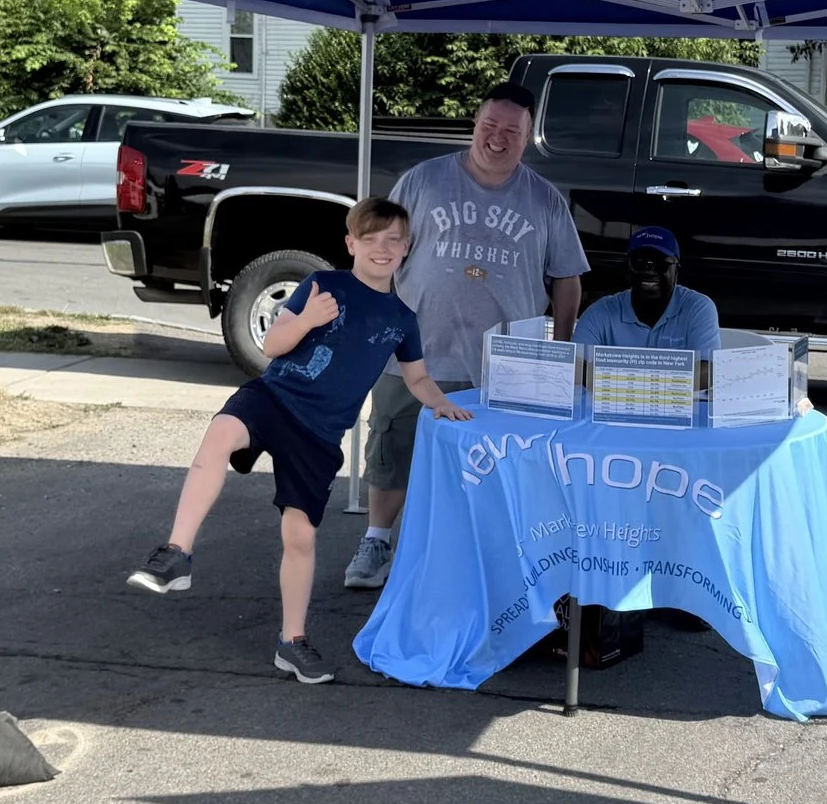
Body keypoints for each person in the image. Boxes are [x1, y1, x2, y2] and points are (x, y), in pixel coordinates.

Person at [126, 198, 470, 684]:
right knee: (221, 432)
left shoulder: (401, 318)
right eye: (370, 239)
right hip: (275, 398)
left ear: (407, 247)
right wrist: (307, 319)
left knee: (300, 536)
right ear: (351, 244)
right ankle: (176, 553)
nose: (382, 248)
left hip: (319, 435)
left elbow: (416, 378)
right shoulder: (322, 285)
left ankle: (292, 642)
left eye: (393, 239)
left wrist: (440, 402)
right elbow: (273, 345)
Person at [350, 81, 588, 590]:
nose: (497, 139)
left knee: (493, 467)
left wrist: (561, 349)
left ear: (529, 136)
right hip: (415, 355)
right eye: (488, 126)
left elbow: (566, 277)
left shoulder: (544, 200)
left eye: (511, 131)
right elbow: (381, 250)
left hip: (504, 367)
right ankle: (376, 541)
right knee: (392, 447)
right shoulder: (423, 181)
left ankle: (483, 556)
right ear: (474, 125)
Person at [570, 226, 722, 356]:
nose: (650, 271)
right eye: (640, 263)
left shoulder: (698, 309)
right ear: (628, 270)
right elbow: (576, 367)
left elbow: (707, 371)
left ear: (676, 272)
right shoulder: (599, 313)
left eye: (661, 264)